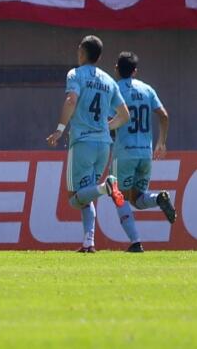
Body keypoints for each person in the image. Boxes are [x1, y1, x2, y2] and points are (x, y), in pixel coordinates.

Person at [47, 36, 130, 253]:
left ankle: (106, 186)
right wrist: (106, 127)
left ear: (82, 52)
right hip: (104, 144)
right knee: (87, 194)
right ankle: (89, 242)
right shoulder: (109, 81)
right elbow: (125, 115)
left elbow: (71, 100)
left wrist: (59, 129)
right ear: (99, 56)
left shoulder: (75, 74)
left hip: (82, 142)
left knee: (74, 198)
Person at [110, 51, 176, 252]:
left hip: (124, 153)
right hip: (145, 153)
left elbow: (109, 120)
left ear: (116, 69)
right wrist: (161, 142)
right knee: (137, 199)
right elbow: (163, 115)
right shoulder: (147, 89)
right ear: (135, 71)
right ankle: (158, 198)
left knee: (118, 195)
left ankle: (135, 241)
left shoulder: (115, 90)